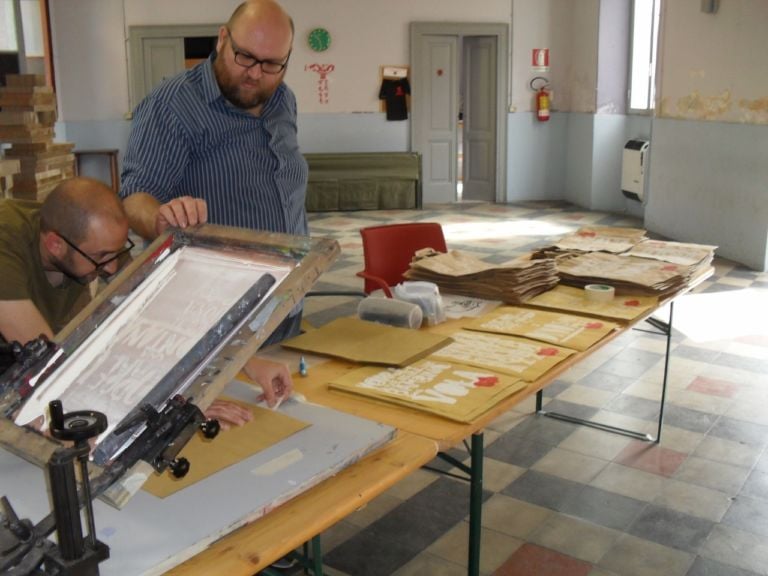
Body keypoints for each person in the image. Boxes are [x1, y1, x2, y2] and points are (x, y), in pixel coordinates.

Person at [0, 177, 290, 426]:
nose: (111, 269)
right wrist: (170, 406)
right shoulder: (5, 242)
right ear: (55, 244)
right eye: (101, 258)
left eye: (116, 253)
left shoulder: (93, 241)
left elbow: (163, 309)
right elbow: (49, 371)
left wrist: (244, 359)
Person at [120, 0, 306, 347]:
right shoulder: (173, 105)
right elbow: (134, 196)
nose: (254, 73)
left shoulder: (284, 100)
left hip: (284, 303)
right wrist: (160, 218)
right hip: (213, 318)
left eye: (271, 64)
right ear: (222, 39)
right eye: (245, 56)